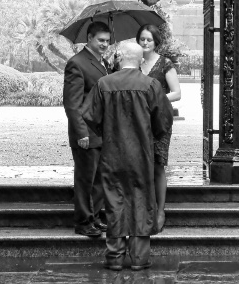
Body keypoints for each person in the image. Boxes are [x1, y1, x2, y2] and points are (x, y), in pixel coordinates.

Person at [82, 41, 174, 271]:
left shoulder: (103, 84)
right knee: (141, 202)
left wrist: (106, 132)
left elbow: (90, 117)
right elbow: (164, 121)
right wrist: (150, 136)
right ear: (141, 60)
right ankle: (139, 259)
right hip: (141, 155)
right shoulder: (151, 84)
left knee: (114, 202)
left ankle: (114, 257)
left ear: (118, 58)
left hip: (112, 154)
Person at [63, 21, 110, 237]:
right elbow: (72, 104)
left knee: (99, 178)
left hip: (101, 132)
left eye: (108, 41)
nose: (105, 45)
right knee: (85, 178)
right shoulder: (77, 63)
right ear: (89, 38)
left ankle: (94, 216)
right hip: (86, 133)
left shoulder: (103, 63)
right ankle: (83, 221)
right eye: (101, 40)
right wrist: (81, 133)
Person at [136, 24, 181, 231]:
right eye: (142, 39)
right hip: (136, 120)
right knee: (139, 164)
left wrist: (154, 98)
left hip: (159, 120)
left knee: (157, 164)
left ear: (156, 43)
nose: (145, 43)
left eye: (149, 40)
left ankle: (160, 210)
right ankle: (143, 208)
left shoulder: (165, 63)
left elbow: (177, 93)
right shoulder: (133, 62)